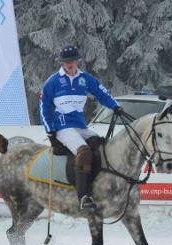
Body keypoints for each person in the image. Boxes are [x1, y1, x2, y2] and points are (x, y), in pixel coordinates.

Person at [39, 45, 122, 210]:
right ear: (62, 63)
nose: (69, 64)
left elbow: (101, 93)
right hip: (63, 127)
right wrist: (49, 129)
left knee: (102, 146)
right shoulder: (53, 81)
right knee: (84, 152)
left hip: (81, 126)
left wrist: (115, 107)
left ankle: (100, 186)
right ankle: (84, 197)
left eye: (72, 60)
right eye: (66, 61)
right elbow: (43, 105)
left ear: (77, 61)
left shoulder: (86, 78)